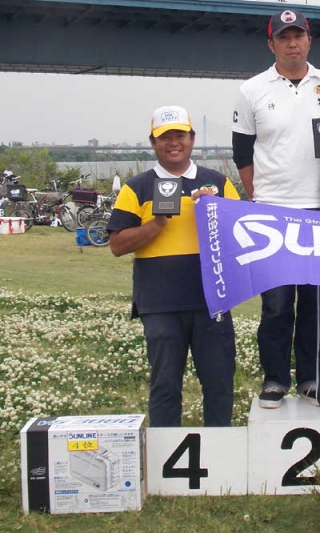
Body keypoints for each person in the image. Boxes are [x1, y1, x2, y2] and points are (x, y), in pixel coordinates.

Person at [232, 9, 320, 412]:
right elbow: (242, 153)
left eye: (298, 36)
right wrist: (258, 198)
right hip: (272, 213)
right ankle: (274, 378)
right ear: (271, 44)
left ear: (309, 40)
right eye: (283, 37)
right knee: (277, 304)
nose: (292, 43)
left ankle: (310, 376)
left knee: (317, 302)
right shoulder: (252, 89)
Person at [107, 106, 240, 427]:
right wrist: (155, 226)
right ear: (153, 143)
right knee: (165, 387)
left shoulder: (218, 183)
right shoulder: (135, 187)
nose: (173, 143)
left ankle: (220, 456)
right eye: (164, 137)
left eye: (180, 135)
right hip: (159, 304)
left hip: (212, 302)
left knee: (220, 387)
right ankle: (166, 463)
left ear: (192, 139)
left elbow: (241, 236)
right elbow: (117, 245)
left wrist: (215, 212)